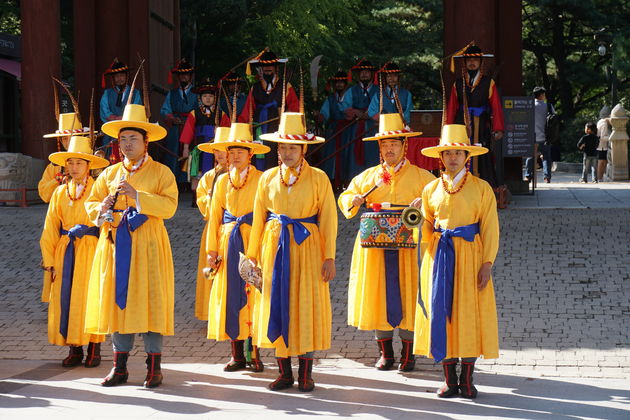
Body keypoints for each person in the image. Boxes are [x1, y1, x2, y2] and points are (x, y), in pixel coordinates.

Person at [84, 102, 177, 389]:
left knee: (150, 302)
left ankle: (154, 367)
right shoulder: (110, 174)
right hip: (113, 246)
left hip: (148, 245)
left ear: (146, 141)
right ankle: (119, 367)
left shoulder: (162, 172)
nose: (126, 144)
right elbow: (91, 205)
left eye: (133, 138)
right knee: (117, 302)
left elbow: (170, 206)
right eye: (122, 139)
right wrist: (102, 207)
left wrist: (138, 196)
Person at [248, 111, 337, 392]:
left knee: (304, 305)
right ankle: (284, 372)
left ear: (303, 149)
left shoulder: (319, 178)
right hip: (273, 247)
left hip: (307, 247)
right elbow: (259, 216)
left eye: (292, 147)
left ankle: (307, 372)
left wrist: (329, 256)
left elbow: (329, 219)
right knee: (277, 303)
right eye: (282, 147)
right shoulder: (268, 178)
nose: (286, 152)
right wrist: (252, 255)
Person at [338, 113, 435, 372]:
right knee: (377, 292)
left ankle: (408, 352)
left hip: (409, 246)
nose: (389, 148)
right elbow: (345, 197)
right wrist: (354, 200)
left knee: (409, 292)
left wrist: (424, 203)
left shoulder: (423, 177)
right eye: (384, 144)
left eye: (394, 144)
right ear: (379, 147)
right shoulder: (367, 177)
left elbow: (438, 202)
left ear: (405, 146)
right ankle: (385, 352)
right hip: (375, 246)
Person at [414, 124, 500, 399]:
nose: (452, 158)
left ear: (467, 156)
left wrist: (487, 262)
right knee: (442, 311)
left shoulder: (481, 188)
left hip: (470, 257)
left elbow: (489, 227)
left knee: (468, 314)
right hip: (439, 256)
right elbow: (426, 225)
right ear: (441, 157)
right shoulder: (430, 189)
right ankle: (449, 380)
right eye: (447, 153)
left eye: (457, 153)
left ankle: (468, 379)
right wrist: (415, 217)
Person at [205, 122, 270, 373]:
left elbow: (267, 214)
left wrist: (258, 248)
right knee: (231, 294)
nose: (234, 157)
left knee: (253, 295)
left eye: (240, 152)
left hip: (254, 240)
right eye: (231, 153)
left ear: (251, 154)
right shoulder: (221, 181)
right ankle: (236, 354)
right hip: (228, 241)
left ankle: (254, 353)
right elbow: (214, 217)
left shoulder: (263, 179)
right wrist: (212, 250)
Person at [40, 135, 109, 368]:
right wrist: (49, 258)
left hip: (90, 249)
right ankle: (74, 347)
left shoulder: (98, 190)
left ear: (89, 165)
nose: (74, 167)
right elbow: (50, 226)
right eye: (70, 163)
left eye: (79, 163)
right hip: (65, 249)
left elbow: (105, 222)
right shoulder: (60, 192)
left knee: (89, 297)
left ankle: (94, 347)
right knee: (66, 297)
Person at [446, 43, 504, 187]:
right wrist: (447, 129)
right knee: (462, 150)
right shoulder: (458, 83)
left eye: (475, 60)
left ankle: (484, 186)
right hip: (461, 124)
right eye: (469, 60)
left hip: (481, 123)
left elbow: (496, 106)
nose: (472, 63)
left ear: (480, 62)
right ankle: (460, 184)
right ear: (465, 63)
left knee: (482, 151)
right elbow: (452, 107)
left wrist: (498, 128)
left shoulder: (488, 82)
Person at [194, 127, 230, 321]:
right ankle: (212, 313)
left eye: (223, 149)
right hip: (213, 228)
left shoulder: (243, 174)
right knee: (211, 268)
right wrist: (211, 200)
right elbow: (203, 205)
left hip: (235, 228)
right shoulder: (209, 177)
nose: (220, 154)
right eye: (216, 150)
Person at [241, 50, 299, 170]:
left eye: (270, 66)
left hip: (278, 128)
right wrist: (242, 128)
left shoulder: (285, 86)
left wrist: (291, 126)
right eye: (264, 66)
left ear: (276, 68)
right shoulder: (255, 87)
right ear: (261, 68)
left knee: (275, 156)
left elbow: (295, 109)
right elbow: (248, 110)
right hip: (259, 129)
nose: (267, 69)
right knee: (258, 156)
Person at [179, 78, 219, 206]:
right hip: (198, 147)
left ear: (215, 98)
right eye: (205, 96)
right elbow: (188, 131)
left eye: (211, 96)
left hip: (214, 147)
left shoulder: (220, 113)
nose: (208, 99)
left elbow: (226, 130)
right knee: (196, 172)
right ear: (200, 98)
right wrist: (186, 148)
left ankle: (212, 197)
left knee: (214, 171)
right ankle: (196, 198)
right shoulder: (194, 113)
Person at [160, 59, 198, 183]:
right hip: (176, 128)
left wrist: (191, 120)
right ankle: (172, 180)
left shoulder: (197, 93)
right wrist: (172, 118)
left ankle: (188, 181)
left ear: (190, 76)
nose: (183, 77)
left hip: (191, 127)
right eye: (181, 75)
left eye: (186, 75)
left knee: (191, 152)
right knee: (173, 151)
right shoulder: (172, 93)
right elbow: (165, 109)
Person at [99, 58, 143, 163]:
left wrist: (124, 119)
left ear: (126, 77)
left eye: (122, 75)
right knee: (110, 157)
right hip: (111, 130)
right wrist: (115, 118)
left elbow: (136, 109)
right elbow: (104, 110)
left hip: (129, 129)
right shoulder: (107, 93)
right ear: (113, 79)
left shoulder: (135, 93)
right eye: (117, 76)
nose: (120, 78)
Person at [40, 112, 90, 203]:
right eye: (64, 139)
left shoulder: (93, 162)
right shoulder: (54, 166)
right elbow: (44, 195)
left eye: (72, 138)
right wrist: (57, 179)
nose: (68, 142)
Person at [317, 70, 353, 189]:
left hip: (349, 130)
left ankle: (347, 182)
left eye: (341, 82)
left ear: (345, 84)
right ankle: (332, 183)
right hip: (334, 130)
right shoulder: (331, 99)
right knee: (331, 156)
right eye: (337, 83)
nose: (339, 85)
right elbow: (324, 115)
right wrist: (319, 116)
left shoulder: (351, 96)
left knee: (348, 156)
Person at [346, 59, 379, 175]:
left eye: (367, 72)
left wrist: (370, 115)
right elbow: (346, 108)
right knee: (354, 153)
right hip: (355, 127)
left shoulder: (379, 90)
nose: (364, 74)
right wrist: (355, 112)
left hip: (373, 127)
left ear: (372, 74)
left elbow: (382, 107)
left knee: (373, 153)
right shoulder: (351, 90)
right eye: (362, 72)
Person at [525, 87, 554, 183]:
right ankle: (547, 177)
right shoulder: (548, 106)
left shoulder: (529, 106)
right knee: (546, 157)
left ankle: (528, 176)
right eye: (544, 94)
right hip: (545, 137)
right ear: (541, 95)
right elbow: (554, 120)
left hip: (532, 136)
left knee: (530, 156)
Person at [596, 106, 611, 182]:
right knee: (602, 162)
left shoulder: (600, 121)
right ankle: (599, 178)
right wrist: (611, 137)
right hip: (602, 146)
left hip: (600, 146)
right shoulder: (604, 123)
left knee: (602, 162)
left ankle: (600, 178)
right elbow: (602, 137)